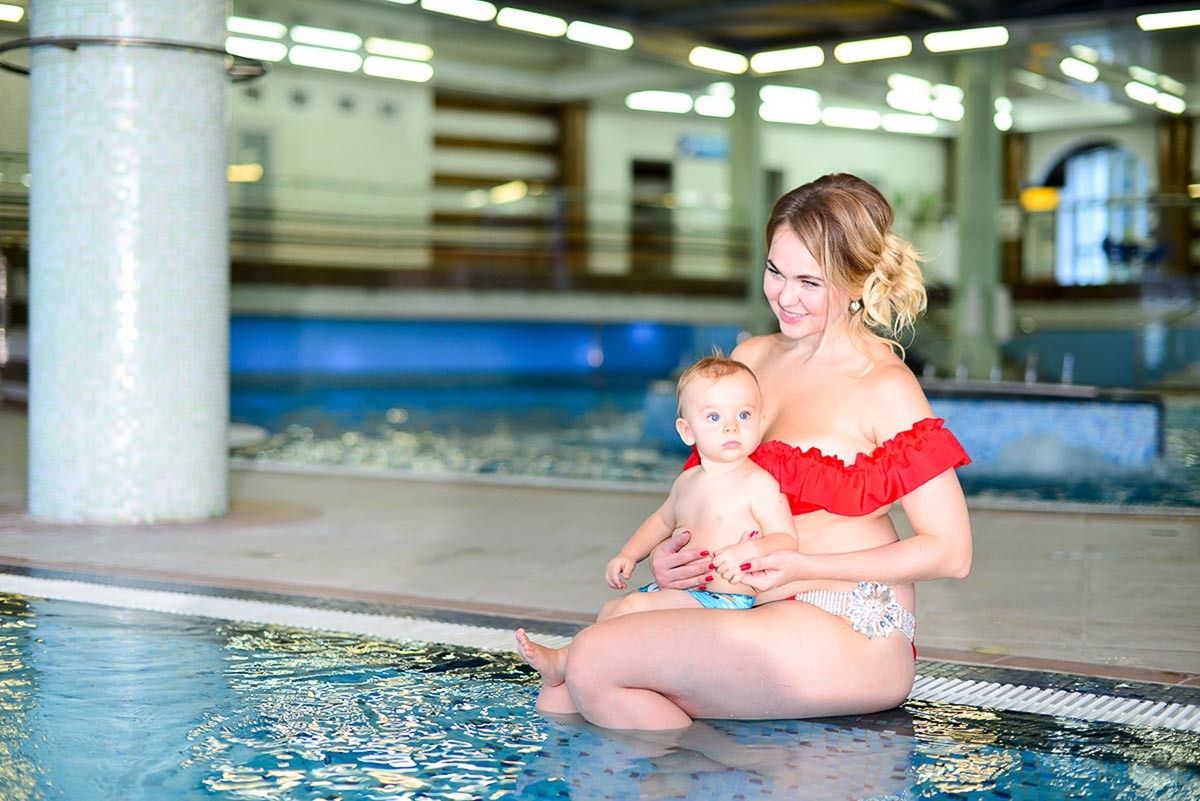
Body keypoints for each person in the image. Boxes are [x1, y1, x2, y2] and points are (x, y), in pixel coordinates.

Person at [525, 172, 973, 730]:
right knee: (561, 696)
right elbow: (707, 494)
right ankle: (702, 762)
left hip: (842, 619)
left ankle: (696, 761)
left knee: (593, 660)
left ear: (857, 281)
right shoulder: (752, 359)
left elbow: (950, 552)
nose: (785, 296)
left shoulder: (883, 385)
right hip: (739, 600)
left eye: (809, 282)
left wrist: (804, 566)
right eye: (775, 271)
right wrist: (673, 559)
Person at [515, 355, 797, 682]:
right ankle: (589, 664)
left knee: (632, 610)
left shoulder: (757, 483)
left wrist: (746, 552)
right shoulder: (687, 482)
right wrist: (629, 554)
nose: (731, 426)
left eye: (744, 415)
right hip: (688, 595)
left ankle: (565, 662)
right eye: (714, 416)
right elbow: (660, 522)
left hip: (725, 600)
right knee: (612, 609)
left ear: (760, 422)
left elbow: (786, 538)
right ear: (687, 431)